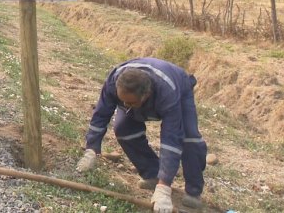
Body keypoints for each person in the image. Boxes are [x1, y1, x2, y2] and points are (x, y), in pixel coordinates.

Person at [75, 57, 207, 213]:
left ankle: (193, 190)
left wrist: (164, 187)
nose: (125, 106)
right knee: (123, 128)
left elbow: (171, 138)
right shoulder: (114, 81)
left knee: (189, 136)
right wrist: (92, 147)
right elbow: (101, 114)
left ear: (147, 95)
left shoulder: (167, 93)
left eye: (130, 103)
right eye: (122, 101)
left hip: (179, 87)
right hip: (136, 92)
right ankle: (152, 173)